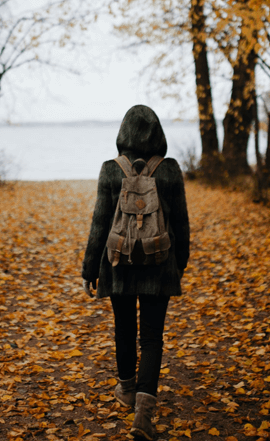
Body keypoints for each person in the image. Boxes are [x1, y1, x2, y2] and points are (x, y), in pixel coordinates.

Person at [82, 105, 190, 440]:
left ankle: (127, 390)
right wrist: (179, 263)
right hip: (159, 265)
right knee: (152, 337)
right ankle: (145, 408)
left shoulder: (111, 170)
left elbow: (100, 223)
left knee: (125, 329)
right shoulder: (169, 169)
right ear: (159, 134)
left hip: (119, 265)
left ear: (123, 134)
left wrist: (90, 268)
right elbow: (182, 224)